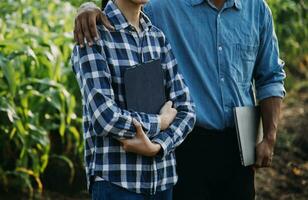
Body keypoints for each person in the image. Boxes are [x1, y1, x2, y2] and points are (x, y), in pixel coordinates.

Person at [74, 0, 286, 199]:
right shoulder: (163, 7)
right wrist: (88, 8)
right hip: (186, 147)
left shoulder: (257, 9)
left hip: (240, 146)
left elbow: (271, 76)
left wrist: (269, 137)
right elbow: (121, 14)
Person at [71, 0, 196, 199]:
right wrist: (160, 122)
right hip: (117, 183)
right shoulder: (94, 36)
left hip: (163, 182)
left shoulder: (157, 37)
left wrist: (158, 147)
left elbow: (186, 110)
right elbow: (105, 118)